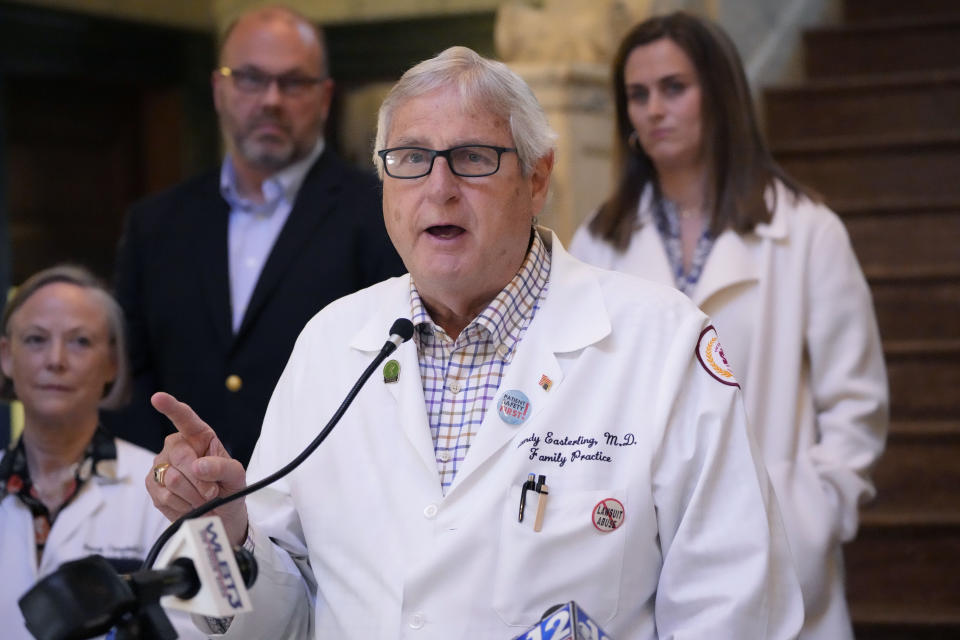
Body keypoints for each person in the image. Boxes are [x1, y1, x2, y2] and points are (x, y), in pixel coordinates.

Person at [144, 46, 804, 638]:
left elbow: (733, 608)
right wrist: (228, 535)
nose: (438, 189)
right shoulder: (331, 343)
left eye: (472, 158)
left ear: (538, 179)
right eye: (409, 160)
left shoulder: (660, 343)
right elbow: (286, 621)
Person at [569, 12, 889, 639]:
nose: (654, 109)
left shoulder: (806, 232)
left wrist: (815, 510)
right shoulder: (597, 243)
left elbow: (856, 403)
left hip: (783, 550)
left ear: (719, 93)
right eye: (637, 95)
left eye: (674, 87)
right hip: (635, 546)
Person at [110, 5, 405, 466]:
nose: (271, 99)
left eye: (292, 82)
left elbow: (397, 379)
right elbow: (129, 374)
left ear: (325, 97)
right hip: (176, 509)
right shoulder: (155, 224)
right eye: (249, 77)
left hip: (317, 513)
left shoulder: (383, 211)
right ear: (218, 89)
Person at [0, 266, 204, 640]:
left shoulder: (164, 488)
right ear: (5, 356)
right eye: (35, 339)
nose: (56, 359)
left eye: (80, 341)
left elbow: (197, 627)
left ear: (112, 361)